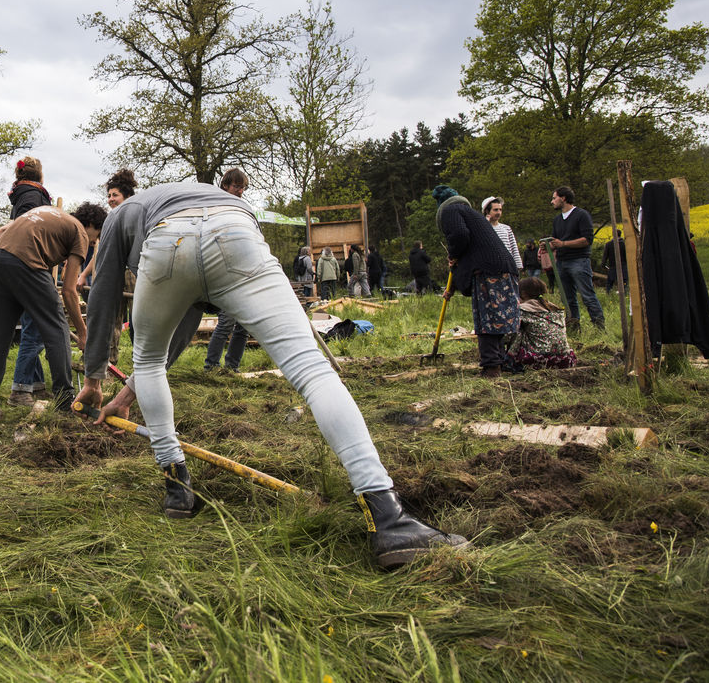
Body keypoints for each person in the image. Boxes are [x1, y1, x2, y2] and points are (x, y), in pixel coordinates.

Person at [74, 182, 468, 568]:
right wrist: (125, 396)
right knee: (310, 368)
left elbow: (104, 293)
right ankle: (387, 517)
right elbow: (186, 319)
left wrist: (93, 380)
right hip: (236, 232)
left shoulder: (121, 216)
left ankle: (177, 489)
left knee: (147, 361)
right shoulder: (210, 197)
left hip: (165, 244)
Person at [0, 202, 106, 423]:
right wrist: (83, 333)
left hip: (0, 257)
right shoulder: (80, 232)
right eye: (98, 235)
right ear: (91, 224)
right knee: (58, 330)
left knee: (0, 338)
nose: (95, 241)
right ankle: (65, 402)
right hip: (29, 262)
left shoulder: (50, 213)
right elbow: (69, 291)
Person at [434, 186, 520, 375]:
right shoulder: (472, 215)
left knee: (487, 318)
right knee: (499, 318)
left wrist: (453, 253)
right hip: (506, 268)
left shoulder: (450, 210)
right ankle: (499, 361)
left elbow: (459, 235)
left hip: (488, 271)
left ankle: (492, 367)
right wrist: (454, 279)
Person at [8, 157, 55, 402]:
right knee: (35, 331)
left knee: (31, 325)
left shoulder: (22, 195)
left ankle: (35, 384)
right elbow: (27, 231)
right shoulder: (33, 197)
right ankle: (20, 389)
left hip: (23, 264)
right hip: (31, 265)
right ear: (39, 174)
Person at [204, 169, 250, 373]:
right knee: (227, 321)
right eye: (236, 187)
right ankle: (211, 366)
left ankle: (232, 367)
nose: (240, 191)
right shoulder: (217, 207)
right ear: (225, 186)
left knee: (244, 324)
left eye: (243, 188)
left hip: (242, 270)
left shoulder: (242, 209)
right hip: (222, 271)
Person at [549, 186, 605, 332]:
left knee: (587, 296)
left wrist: (563, 244)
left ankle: (599, 328)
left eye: (554, 198)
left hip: (578, 261)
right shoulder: (557, 220)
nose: (552, 201)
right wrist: (548, 246)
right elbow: (556, 240)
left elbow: (587, 240)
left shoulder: (581, 215)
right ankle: (574, 328)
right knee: (567, 298)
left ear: (563, 198)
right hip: (561, 262)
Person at [508, 276, 575, 368]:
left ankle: (509, 361)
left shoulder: (523, 310)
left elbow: (509, 334)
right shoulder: (554, 309)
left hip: (537, 360)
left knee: (518, 330)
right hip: (565, 359)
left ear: (523, 293)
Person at [480, 196, 523, 273]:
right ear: (487, 211)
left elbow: (514, 248)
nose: (499, 213)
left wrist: (518, 266)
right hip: (490, 269)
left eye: (500, 209)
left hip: (508, 268)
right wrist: (485, 224)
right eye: (495, 210)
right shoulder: (481, 228)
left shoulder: (506, 228)